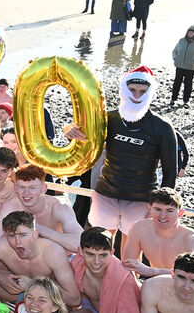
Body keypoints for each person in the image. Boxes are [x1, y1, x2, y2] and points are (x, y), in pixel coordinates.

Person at [67, 66, 176, 235]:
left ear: (150, 93)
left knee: (132, 253)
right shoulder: (108, 119)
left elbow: (170, 171)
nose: (137, 96)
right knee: (97, 244)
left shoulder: (162, 127)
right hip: (105, 194)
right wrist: (70, 131)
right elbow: (82, 145)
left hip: (141, 199)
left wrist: (163, 204)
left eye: (142, 91)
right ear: (124, 90)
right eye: (132, 90)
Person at [0, 211, 81, 307]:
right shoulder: (2, 247)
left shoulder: (53, 252)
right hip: (15, 297)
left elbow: (74, 299)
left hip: (49, 303)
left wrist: (33, 285)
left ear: (35, 234)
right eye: (12, 236)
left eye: (23, 235)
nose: (17, 242)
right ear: (6, 236)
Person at [0, 164, 83, 252]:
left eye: (32, 188)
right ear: (15, 188)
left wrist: (38, 228)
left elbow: (79, 244)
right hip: (22, 259)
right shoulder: (11, 206)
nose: (26, 193)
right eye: (22, 187)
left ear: (44, 188)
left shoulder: (60, 208)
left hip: (54, 258)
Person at [121, 188, 194, 277]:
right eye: (158, 209)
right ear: (150, 209)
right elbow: (128, 265)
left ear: (180, 213)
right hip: (154, 283)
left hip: (183, 288)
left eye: (169, 211)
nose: (163, 216)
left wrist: (151, 271)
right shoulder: (139, 228)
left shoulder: (193, 240)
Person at [171, 26, 194, 106]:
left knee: (188, 84)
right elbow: (174, 51)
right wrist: (175, 58)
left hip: (190, 67)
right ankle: (173, 99)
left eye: (192, 32)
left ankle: (186, 100)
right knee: (177, 82)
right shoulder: (181, 40)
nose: (190, 33)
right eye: (189, 32)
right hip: (179, 66)